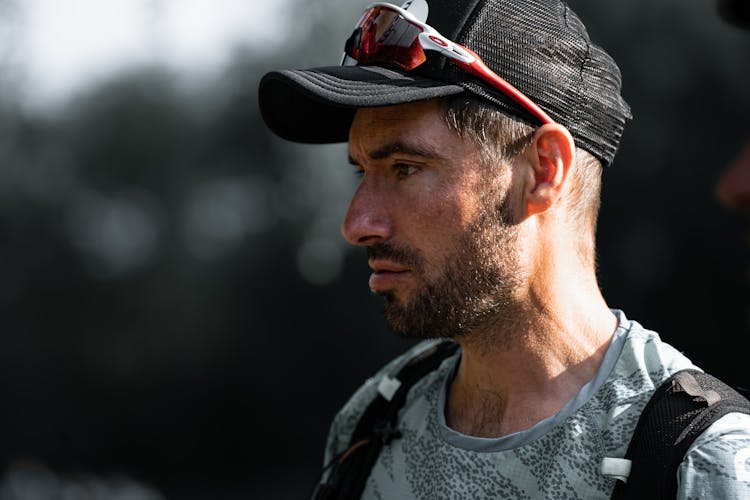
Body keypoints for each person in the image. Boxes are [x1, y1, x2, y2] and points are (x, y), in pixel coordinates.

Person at [259, 0, 750, 497]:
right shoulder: (372, 423)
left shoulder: (698, 460)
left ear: (542, 171)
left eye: (405, 168)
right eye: (362, 171)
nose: (356, 224)